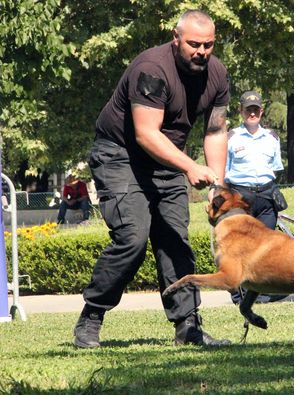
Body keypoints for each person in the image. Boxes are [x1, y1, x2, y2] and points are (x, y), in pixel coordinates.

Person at [73, 10, 231, 348]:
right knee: (132, 237)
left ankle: (188, 327)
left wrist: (217, 183)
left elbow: (216, 130)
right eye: (193, 44)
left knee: (175, 240)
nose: (201, 51)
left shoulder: (216, 74)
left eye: (208, 45)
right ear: (176, 39)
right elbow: (146, 134)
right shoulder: (152, 69)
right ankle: (92, 316)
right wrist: (190, 167)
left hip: (167, 158)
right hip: (121, 155)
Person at [224, 90, 286, 304]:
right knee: (239, 246)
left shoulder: (272, 138)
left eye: (256, 109)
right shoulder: (230, 137)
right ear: (241, 111)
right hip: (241, 196)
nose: (252, 113)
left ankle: (263, 292)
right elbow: (224, 171)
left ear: (262, 111)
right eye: (248, 109)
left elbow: (276, 168)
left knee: (266, 245)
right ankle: (236, 291)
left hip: (266, 196)